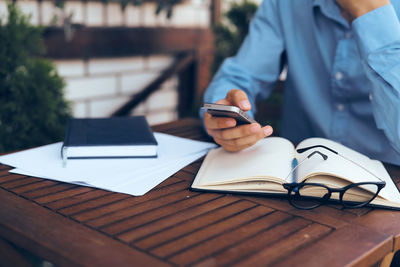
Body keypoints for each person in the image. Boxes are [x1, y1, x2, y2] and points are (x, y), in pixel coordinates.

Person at [202, 0, 400, 165]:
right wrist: (227, 117)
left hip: (388, 182)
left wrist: (369, 12)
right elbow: (241, 74)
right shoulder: (285, 4)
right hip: (299, 178)